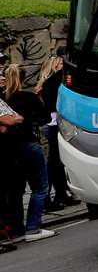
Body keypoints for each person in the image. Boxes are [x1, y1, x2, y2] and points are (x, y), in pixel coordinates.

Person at [5, 64, 57, 242]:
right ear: (24, 77)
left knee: (17, 190)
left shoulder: (4, 98)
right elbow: (46, 118)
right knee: (40, 187)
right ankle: (33, 227)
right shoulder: (28, 97)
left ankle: (17, 230)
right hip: (29, 143)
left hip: (11, 148)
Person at [36, 54, 78, 209]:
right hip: (55, 123)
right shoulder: (53, 82)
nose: (63, 66)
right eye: (61, 64)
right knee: (55, 161)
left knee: (57, 161)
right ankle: (54, 195)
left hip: (53, 122)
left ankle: (60, 193)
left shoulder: (47, 83)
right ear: (55, 65)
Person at [0, 90, 23, 253]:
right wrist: (7, 121)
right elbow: (9, 119)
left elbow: (18, 118)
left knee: (8, 193)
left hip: (7, 155)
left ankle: (6, 234)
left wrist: (9, 121)